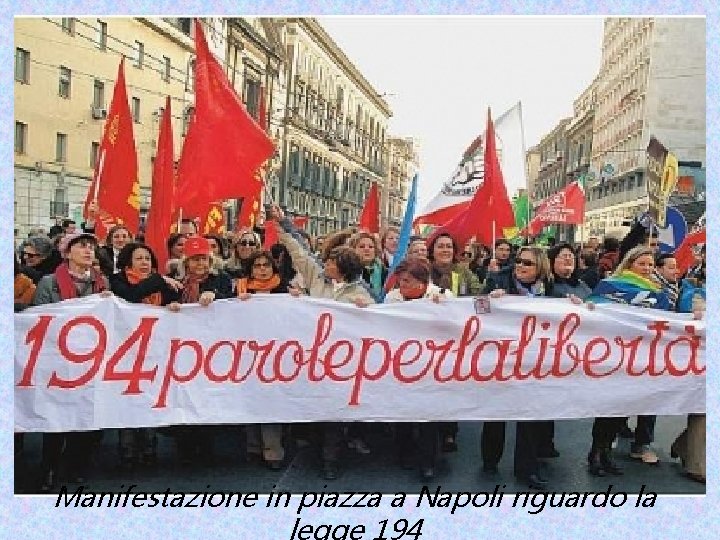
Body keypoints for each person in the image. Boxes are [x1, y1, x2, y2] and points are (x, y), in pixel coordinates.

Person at [275, 206, 374, 480]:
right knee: (315, 405)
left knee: (334, 410)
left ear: (341, 268)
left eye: (330, 262)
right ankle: (315, 447)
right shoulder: (315, 278)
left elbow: (377, 318)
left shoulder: (359, 292)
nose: (325, 264)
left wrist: (363, 308)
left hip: (342, 362)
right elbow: (298, 251)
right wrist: (282, 223)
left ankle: (331, 458)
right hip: (312, 357)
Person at [33, 232, 110, 491]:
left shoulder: (102, 283)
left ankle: (73, 466)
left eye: (91, 247)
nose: (88, 251)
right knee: (56, 419)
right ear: (67, 253)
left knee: (87, 417)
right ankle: (48, 468)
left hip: (91, 361)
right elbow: (39, 318)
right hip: (58, 360)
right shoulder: (49, 282)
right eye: (82, 246)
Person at [587, 246, 674, 473]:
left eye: (650, 265)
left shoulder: (658, 292)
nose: (646, 269)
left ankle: (606, 454)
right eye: (641, 264)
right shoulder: (610, 286)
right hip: (612, 354)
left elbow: (666, 322)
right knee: (608, 406)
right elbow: (594, 312)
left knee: (624, 406)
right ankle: (595, 452)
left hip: (639, 357)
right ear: (629, 264)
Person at [482, 246, 556, 490]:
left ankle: (527, 468)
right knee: (497, 414)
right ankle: (490, 460)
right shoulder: (497, 279)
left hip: (534, 360)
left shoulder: (549, 289)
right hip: (502, 358)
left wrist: (576, 305)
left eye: (527, 263)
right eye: (519, 261)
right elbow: (476, 308)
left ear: (540, 268)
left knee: (529, 414)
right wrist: (490, 301)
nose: (520, 266)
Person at [109, 242, 182, 468]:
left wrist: (174, 305)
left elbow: (176, 300)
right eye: (139, 258)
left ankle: (150, 446)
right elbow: (131, 296)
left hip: (154, 351)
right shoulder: (118, 281)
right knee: (127, 399)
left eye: (148, 259)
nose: (144, 263)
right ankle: (128, 449)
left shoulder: (163, 284)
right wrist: (159, 280)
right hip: (125, 352)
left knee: (150, 397)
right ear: (128, 262)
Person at [165, 236, 233, 465]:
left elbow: (233, 306)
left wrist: (217, 297)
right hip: (181, 348)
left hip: (210, 348)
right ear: (186, 262)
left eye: (203, 259)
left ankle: (206, 447)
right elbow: (163, 304)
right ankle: (184, 447)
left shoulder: (221, 280)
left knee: (207, 396)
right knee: (183, 396)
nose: (200, 265)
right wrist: (171, 306)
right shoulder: (176, 282)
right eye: (195, 260)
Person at [385, 258, 454, 480]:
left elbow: (454, 326)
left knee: (428, 415)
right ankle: (403, 453)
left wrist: (442, 309)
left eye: (407, 280)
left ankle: (428, 461)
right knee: (404, 412)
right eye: (400, 280)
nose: (401, 284)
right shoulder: (392, 298)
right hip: (402, 363)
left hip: (431, 364)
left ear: (421, 282)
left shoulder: (442, 296)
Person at [237, 250, 296, 470]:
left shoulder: (285, 289)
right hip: (247, 353)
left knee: (271, 401)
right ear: (250, 270)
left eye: (266, 265)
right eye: (257, 266)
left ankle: (273, 451)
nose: (262, 269)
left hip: (276, 354)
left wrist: (297, 299)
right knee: (251, 400)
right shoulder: (240, 289)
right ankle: (253, 447)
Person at [427, 232, 481, 452]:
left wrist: (492, 298)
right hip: (428, 337)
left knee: (451, 383)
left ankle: (450, 431)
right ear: (433, 250)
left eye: (449, 246)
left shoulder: (464, 272)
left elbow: (479, 295)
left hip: (456, 337)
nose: (446, 250)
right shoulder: (423, 271)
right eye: (441, 246)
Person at [351, 232, 388, 302]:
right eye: (361, 246)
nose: (366, 249)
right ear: (353, 250)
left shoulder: (385, 272)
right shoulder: (348, 271)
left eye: (371, 247)